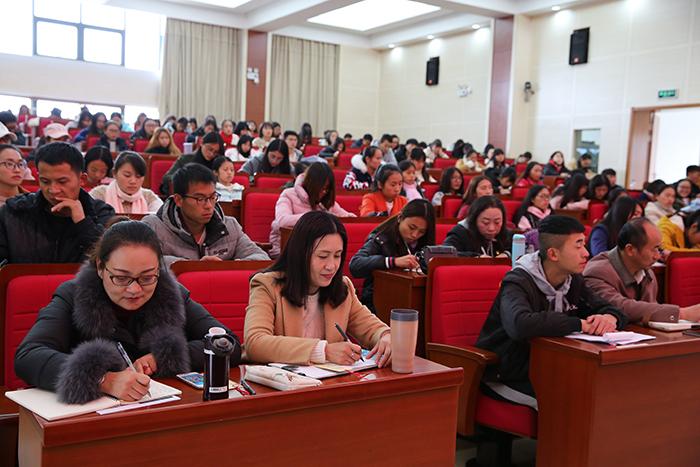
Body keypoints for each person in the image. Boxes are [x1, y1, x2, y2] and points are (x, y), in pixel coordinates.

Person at [14, 219, 241, 404]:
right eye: (121, 278)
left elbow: (228, 343)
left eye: (147, 277)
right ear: (101, 267)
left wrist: (162, 357)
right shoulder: (73, 295)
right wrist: (103, 380)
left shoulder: (171, 294)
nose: (134, 290)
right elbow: (28, 356)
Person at [475, 215, 627, 407]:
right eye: (578, 246)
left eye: (584, 245)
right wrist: (579, 324)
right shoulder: (518, 281)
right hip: (505, 375)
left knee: (603, 390)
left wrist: (610, 317)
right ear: (553, 254)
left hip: (549, 369)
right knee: (570, 402)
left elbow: (611, 309)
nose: (586, 253)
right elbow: (520, 325)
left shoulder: (573, 280)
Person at [244, 210, 392, 366]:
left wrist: (386, 336)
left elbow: (372, 329)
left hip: (329, 379)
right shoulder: (266, 285)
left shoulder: (342, 288)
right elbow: (255, 343)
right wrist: (324, 351)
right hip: (281, 380)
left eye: (337, 255)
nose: (331, 266)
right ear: (300, 254)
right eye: (323, 256)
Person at [0, 142, 114, 264]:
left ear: (82, 179)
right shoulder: (13, 212)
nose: (53, 190)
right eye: (45, 181)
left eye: (62, 182)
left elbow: (107, 262)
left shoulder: (102, 212)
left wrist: (83, 223)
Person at [144, 164, 268, 265]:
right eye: (200, 199)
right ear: (179, 200)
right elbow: (143, 262)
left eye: (213, 198)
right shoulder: (153, 227)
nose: (209, 205)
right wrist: (194, 266)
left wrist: (236, 266)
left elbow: (262, 258)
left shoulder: (230, 226)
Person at [584, 217, 700, 325]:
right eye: (653, 250)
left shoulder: (647, 272)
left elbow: (650, 310)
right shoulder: (598, 272)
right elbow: (619, 307)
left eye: (658, 249)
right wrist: (682, 313)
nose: (657, 256)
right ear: (630, 250)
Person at [350, 199, 435, 313]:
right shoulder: (382, 238)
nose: (415, 235)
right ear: (400, 217)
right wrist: (393, 262)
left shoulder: (423, 242)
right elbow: (355, 264)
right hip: (377, 303)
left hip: (412, 300)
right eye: (411, 227)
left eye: (422, 231)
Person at [269, 162, 355, 258]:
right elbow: (282, 221)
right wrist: (318, 217)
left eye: (327, 188)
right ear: (311, 183)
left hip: (319, 251)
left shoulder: (325, 199)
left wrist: (349, 218)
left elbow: (347, 216)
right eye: (321, 188)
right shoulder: (288, 194)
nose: (324, 191)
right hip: (289, 251)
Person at [89, 152, 162, 214]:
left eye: (138, 176)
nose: (133, 181)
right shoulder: (99, 194)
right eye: (127, 175)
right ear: (114, 173)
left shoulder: (148, 197)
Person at [444, 195, 513, 258]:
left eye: (497, 222)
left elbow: (514, 249)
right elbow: (445, 254)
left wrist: (507, 254)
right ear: (474, 220)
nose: (492, 228)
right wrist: (476, 258)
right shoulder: (460, 233)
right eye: (486, 223)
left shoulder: (508, 234)